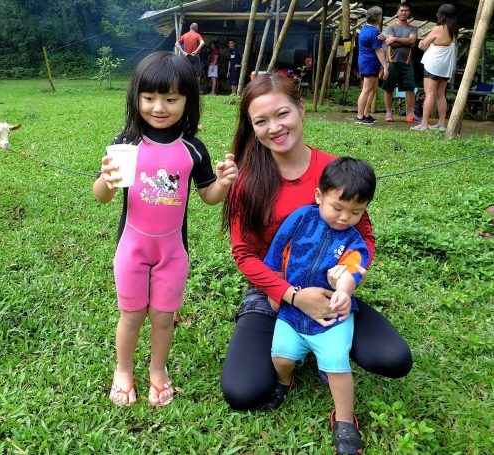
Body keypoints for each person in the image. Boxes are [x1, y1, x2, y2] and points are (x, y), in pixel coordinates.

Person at [220, 74, 412, 413]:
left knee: (393, 359)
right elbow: (244, 253)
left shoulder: (333, 170)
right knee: (243, 391)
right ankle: (294, 353)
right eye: (261, 121)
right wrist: (292, 295)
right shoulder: (246, 179)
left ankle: (323, 340)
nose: (274, 128)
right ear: (252, 127)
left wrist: (348, 279)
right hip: (272, 293)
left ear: (301, 109)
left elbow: (364, 236)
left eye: (282, 114)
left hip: (327, 289)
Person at [93, 51, 238, 407]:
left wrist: (223, 182)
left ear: (188, 101)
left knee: (162, 317)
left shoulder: (193, 148)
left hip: (173, 252)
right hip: (131, 248)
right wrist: (107, 180)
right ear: (136, 97)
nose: (159, 107)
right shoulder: (125, 143)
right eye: (149, 98)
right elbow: (101, 196)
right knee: (131, 315)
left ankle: (158, 370)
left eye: (171, 99)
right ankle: (123, 370)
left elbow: (208, 196)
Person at [263, 157, 377, 454]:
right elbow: (276, 251)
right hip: (293, 309)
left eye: (356, 212)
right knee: (281, 356)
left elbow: (353, 270)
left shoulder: (354, 242)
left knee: (337, 365)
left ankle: (345, 421)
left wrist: (344, 289)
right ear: (318, 196)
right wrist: (276, 290)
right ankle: (285, 381)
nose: (344, 217)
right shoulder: (300, 218)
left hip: (331, 314)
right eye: (337, 208)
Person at [411, 4, 458, 131]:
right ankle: (441, 123)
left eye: (438, 12)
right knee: (440, 94)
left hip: (434, 64)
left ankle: (424, 123)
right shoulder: (454, 30)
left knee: (429, 93)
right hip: (446, 65)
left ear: (442, 15)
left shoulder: (438, 28)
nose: (437, 14)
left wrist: (421, 43)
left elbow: (423, 45)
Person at [381, 3, 421, 123]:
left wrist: (395, 39)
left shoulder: (413, 27)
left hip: (407, 62)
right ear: (397, 12)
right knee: (389, 88)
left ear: (409, 13)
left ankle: (411, 114)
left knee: (410, 88)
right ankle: (388, 113)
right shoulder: (391, 26)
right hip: (391, 61)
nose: (404, 13)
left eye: (406, 10)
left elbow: (412, 40)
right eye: (402, 10)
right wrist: (407, 42)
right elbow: (389, 43)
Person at [356, 7, 389, 125]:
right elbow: (379, 50)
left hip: (365, 61)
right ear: (378, 18)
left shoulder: (364, 28)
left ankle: (366, 114)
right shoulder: (374, 32)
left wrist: (383, 38)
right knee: (366, 90)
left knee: (373, 89)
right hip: (370, 63)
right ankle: (360, 117)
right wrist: (385, 66)